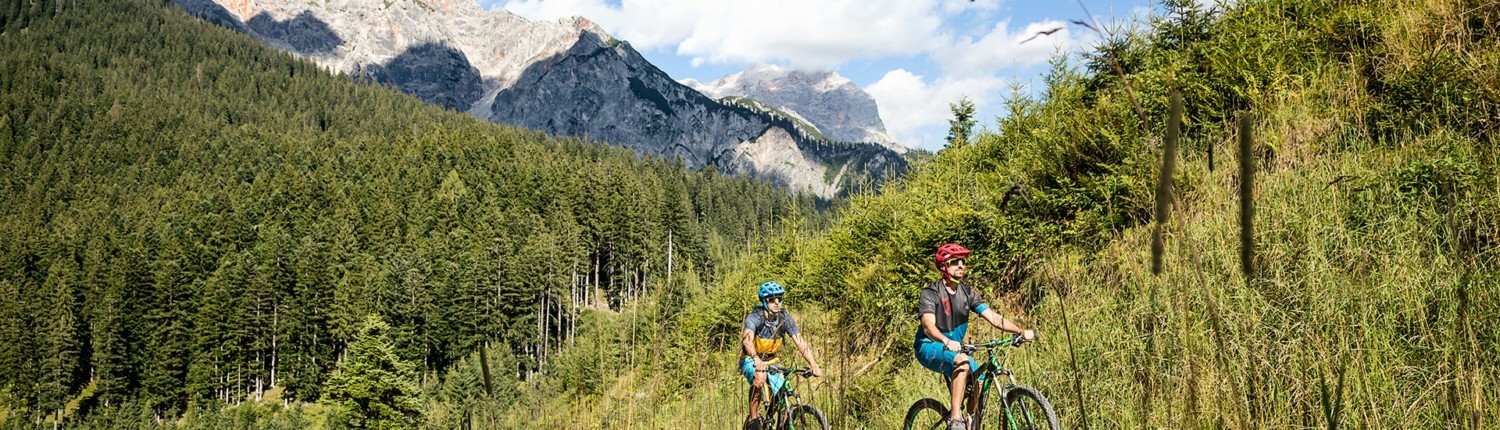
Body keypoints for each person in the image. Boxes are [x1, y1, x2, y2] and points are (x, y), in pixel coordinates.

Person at [914, 243, 1036, 430]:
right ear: (943, 267)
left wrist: (1019, 331)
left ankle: (969, 422)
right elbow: (928, 326)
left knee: (979, 377)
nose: (961, 265)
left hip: (954, 348)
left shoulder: (967, 293)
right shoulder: (930, 293)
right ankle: (956, 420)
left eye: (963, 262)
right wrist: (946, 341)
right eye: (955, 262)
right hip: (929, 346)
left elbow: (994, 317)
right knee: (962, 361)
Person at [740, 281, 824, 429]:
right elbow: (747, 341)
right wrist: (756, 359)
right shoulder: (754, 317)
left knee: (782, 392)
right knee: (760, 378)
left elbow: (800, 342)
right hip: (751, 358)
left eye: (779, 299)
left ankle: (778, 420)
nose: (777, 303)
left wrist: (814, 364)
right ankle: (753, 420)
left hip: (772, 360)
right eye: (772, 300)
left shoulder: (784, 318)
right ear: (765, 302)